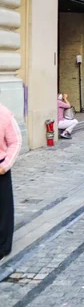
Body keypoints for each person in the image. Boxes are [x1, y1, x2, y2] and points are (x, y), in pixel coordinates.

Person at [0, 103, 22, 264]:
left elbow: (15, 141)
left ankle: (2, 246)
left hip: (0, 169)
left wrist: (5, 166)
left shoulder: (3, 113)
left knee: (3, 210)